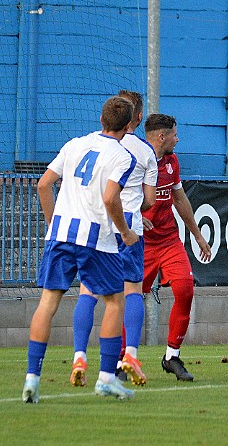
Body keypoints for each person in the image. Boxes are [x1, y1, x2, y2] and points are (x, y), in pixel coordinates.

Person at [22, 95, 140, 403]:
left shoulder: (73, 144)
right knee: (115, 302)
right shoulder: (122, 155)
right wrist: (125, 232)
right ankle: (106, 379)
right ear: (128, 126)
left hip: (61, 235)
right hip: (96, 240)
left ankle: (32, 379)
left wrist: (53, 225)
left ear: (101, 120)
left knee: (47, 304)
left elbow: (43, 184)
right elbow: (111, 199)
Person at [70, 90, 158, 388]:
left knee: (88, 291)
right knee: (132, 289)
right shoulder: (145, 152)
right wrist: (135, 212)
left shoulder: (90, 144)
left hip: (97, 225)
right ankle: (130, 354)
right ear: (138, 117)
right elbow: (149, 200)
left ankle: (79, 356)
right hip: (129, 224)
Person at [142, 113, 212, 381]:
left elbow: (180, 199)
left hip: (169, 240)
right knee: (131, 299)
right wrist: (135, 220)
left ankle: (171, 356)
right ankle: (124, 359)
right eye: (174, 134)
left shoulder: (172, 162)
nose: (177, 138)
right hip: (141, 242)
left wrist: (197, 235)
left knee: (185, 289)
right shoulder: (135, 160)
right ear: (162, 137)